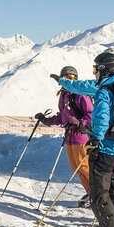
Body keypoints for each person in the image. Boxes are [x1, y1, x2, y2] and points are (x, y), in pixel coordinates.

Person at [56, 48, 114, 227]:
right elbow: (84, 86)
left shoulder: (104, 92)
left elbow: (100, 119)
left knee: (100, 193)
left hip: (106, 149)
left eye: (96, 69)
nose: (94, 74)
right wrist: (64, 82)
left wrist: (94, 140)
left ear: (105, 69)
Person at [35, 66, 94, 207]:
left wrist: (80, 123)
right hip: (69, 137)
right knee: (76, 168)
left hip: (81, 136)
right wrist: (46, 120)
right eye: (66, 78)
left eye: (72, 78)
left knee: (84, 167)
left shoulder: (80, 94)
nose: (69, 81)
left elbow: (90, 114)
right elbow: (62, 116)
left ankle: (96, 194)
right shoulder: (63, 96)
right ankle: (90, 192)